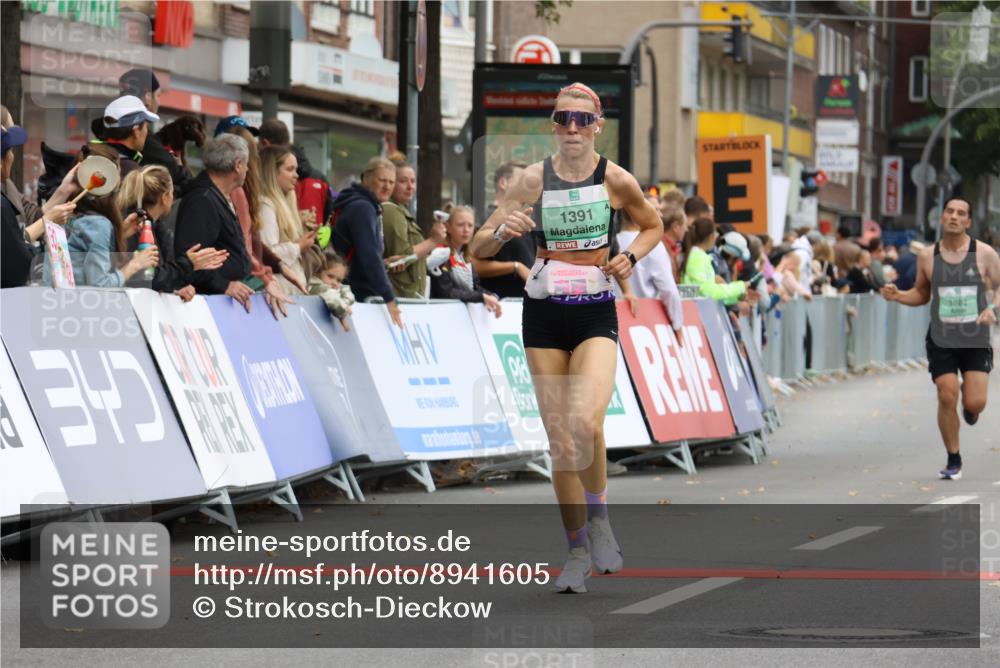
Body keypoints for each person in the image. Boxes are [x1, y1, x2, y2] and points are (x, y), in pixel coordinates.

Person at [469, 82, 663, 594]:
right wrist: (503, 231)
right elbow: (476, 247)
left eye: (582, 120)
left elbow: (653, 226)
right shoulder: (533, 179)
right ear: (553, 125)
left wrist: (631, 257)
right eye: (562, 119)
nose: (571, 128)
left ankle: (599, 519)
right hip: (544, 314)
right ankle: (576, 550)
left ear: (597, 125)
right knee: (560, 442)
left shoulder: (615, 180)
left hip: (594, 311)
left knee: (584, 422)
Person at [881, 197, 999, 480]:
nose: (955, 217)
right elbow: (921, 294)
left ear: (968, 221)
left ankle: (969, 411)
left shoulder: (984, 254)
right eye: (950, 212)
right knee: (946, 394)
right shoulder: (927, 256)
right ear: (942, 218)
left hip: (975, 337)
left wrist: (992, 308)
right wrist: (898, 296)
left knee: (975, 403)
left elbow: (999, 287)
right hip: (942, 337)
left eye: (961, 213)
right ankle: (953, 458)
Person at [117, 165, 228, 299]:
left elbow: (156, 276)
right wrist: (188, 265)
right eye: (172, 192)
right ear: (165, 197)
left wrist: (174, 287)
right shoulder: (137, 227)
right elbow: (145, 277)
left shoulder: (155, 227)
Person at [57, 145, 158, 287]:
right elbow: (99, 286)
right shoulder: (98, 225)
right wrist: (134, 265)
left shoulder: (63, 215)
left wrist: (120, 233)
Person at [173, 134, 254, 309]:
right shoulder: (202, 199)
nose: (248, 170)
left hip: (219, 300)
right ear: (238, 165)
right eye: (247, 164)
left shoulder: (216, 195)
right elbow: (192, 256)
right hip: (205, 303)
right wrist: (224, 285)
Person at [329, 157, 403, 327]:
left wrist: (382, 262)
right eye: (382, 180)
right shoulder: (363, 208)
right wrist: (389, 298)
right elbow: (369, 257)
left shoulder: (358, 203)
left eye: (391, 182)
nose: (387, 186)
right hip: (357, 294)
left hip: (348, 288)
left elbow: (361, 251)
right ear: (366, 178)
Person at [381, 160, 446, 299]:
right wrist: (432, 241)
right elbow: (400, 259)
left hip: (406, 295)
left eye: (413, 181)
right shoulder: (391, 211)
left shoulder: (401, 211)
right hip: (399, 295)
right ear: (392, 183)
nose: (410, 186)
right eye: (403, 181)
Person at [118, 68, 190, 191]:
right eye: (158, 95)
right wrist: (179, 168)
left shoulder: (113, 129)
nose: (159, 102)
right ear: (147, 97)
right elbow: (181, 179)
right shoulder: (142, 139)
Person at [614, 208, 683, 334]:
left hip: (617, 321)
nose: (660, 214)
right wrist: (678, 327)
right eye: (655, 209)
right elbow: (669, 291)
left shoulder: (614, 242)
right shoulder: (654, 245)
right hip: (648, 324)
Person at [258, 145, 314, 295]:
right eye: (289, 170)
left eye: (295, 170)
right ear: (272, 172)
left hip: (287, 293)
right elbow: (267, 253)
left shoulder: (282, 203)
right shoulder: (265, 205)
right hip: (275, 294)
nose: (296, 175)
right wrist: (299, 246)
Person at [474, 160, 535, 299]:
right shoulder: (482, 218)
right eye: (521, 180)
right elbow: (471, 264)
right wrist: (515, 267)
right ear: (503, 183)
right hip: (499, 308)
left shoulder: (525, 219)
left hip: (527, 306)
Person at [429, 206, 502, 316]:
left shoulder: (465, 257)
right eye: (460, 225)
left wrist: (492, 296)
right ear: (448, 227)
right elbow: (445, 292)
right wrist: (481, 297)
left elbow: (474, 287)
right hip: (441, 316)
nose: (466, 230)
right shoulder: (439, 253)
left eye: (470, 225)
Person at [681, 218, 748, 305]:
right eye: (716, 234)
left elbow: (709, 295)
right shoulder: (697, 257)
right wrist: (739, 287)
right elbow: (707, 292)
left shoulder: (700, 256)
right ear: (711, 236)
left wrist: (736, 297)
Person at [98, 95, 160, 177]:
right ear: (136, 130)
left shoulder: (88, 154)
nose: (146, 132)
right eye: (146, 126)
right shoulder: (132, 173)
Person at [309, 248, 356, 331]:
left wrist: (344, 302)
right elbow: (332, 298)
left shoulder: (333, 286)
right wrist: (343, 316)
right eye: (330, 276)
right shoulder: (317, 286)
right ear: (317, 272)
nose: (335, 282)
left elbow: (345, 290)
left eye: (339, 280)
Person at [660, 207, 687, 284]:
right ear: (675, 227)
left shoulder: (670, 248)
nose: (686, 229)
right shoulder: (662, 248)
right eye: (684, 225)